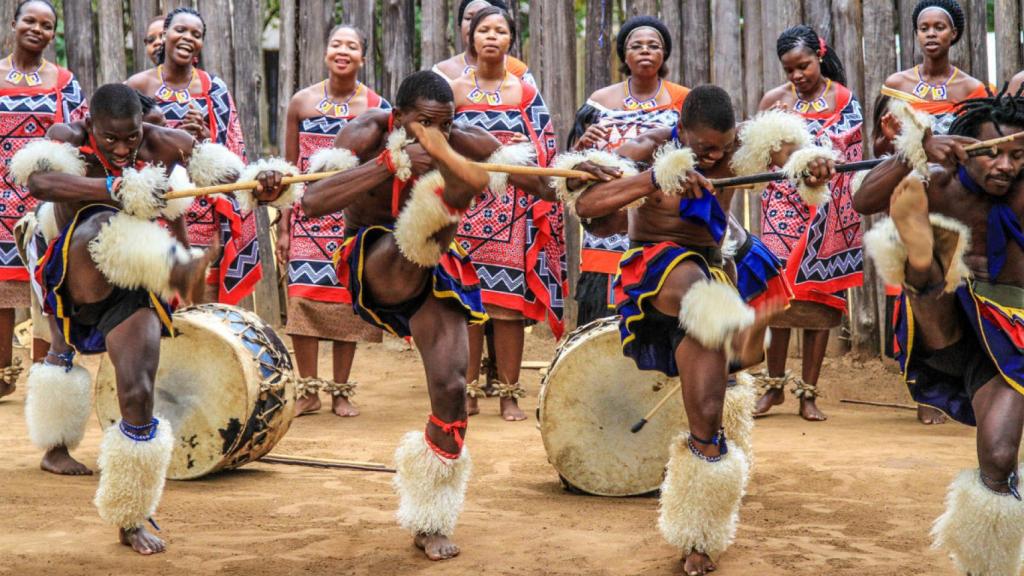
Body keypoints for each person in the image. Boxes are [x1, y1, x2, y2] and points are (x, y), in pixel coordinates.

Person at [565, 84, 830, 576]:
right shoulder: (650, 146)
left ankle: (699, 540)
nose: (714, 157)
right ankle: (737, 331)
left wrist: (810, 164)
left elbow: (792, 151)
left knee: (707, 416)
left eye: (722, 148)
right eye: (704, 148)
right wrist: (655, 177)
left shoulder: (741, 147)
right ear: (681, 130)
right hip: (656, 269)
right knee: (688, 281)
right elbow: (589, 206)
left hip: (711, 274)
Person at [302, 70, 568, 561]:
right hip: (374, 256)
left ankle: (431, 520)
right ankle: (450, 196)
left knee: (450, 386)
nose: (436, 133)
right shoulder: (365, 133)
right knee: (424, 224)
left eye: (445, 125)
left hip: (437, 265)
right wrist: (390, 163)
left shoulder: (465, 140)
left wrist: (590, 170)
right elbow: (314, 200)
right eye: (423, 123)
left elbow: (548, 188)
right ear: (398, 116)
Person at [16, 82, 288, 554]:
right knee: (96, 233)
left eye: (132, 137)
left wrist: (264, 182)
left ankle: (131, 514)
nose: (123, 149)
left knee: (138, 392)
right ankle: (55, 446)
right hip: (72, 264)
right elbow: (39, 184)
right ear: (91, 125)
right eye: (111, 139)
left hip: (133, 275)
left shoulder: (161, 142)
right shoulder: (69, 138)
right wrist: (112, 186)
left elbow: (230, 174)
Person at [854, 87, 1024, 576]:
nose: (1005, 166)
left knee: (999, 458)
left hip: (1011, 345)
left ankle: (984, 567)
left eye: (1016, 155)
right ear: (966, 147)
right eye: (992, 153)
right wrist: (915, 150)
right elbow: (864, 199)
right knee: (929, 272)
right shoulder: (941, 179)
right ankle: (920, 252)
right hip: (949, 329)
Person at [874, 0, 988, 425]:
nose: (931, 34)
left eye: (940, 27)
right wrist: (890, 139)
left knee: (956, 288)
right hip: (908, 199)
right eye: (924, 27)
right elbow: (879, 149)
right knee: (915, 288)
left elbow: (981, 148)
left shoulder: (973, 90)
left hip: (956, 203)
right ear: (916, 33)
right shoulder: (897, 84)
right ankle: (926, 392)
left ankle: (968, 384)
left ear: (954, 33)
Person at [450, 7, 564, 420]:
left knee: (508, 307)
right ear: (471, 38)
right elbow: (437, 143)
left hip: (513, 212)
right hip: (464, 209)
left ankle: (509, 393)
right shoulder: (454, 90)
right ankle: (467, 391)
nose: (491, 36)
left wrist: (538, 199)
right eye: (484, 30)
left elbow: (545, 150)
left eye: (500, 31)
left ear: (511, 40)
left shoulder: (525, 93)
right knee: (466, 306)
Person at [751, 25, 863, 421]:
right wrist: (775, 136)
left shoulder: (844, 98)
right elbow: (758, 156)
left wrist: (821, 168)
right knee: (777, 294)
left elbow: (851, 154)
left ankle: (808, 394)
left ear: (820, 56)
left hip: (829, 209)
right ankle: (773, 388)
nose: (797, 75)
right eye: (789, 69)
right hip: (782, 207)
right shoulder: (774, 100)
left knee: (818, 295)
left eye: (804, 66)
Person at [278, 24, 388, 417]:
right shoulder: (302, 102)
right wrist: (284, 226)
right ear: (326, 52)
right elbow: (289, 171)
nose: (343, 51)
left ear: (362, 57)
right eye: (336, 44)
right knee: (302, 301)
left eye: (352, 46)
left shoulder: (377, 107)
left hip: (352, 220)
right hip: (308, 218)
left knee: (346, 304)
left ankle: (341, 391)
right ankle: (308, 391)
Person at [126, 7, 262, 306]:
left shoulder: (214, 89)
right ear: (164, 35)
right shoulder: (138, 86)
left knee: (200, 309)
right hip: (152, 206)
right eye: (180, 30)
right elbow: (120, 146)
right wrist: (170, 138)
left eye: (196, 34)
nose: (188, 37)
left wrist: (203, 138)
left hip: (203, 210)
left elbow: (232, 148)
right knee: (150, 303)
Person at [567, 15, 690, 326]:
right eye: (637, 45)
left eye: (653, 45)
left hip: (661, 219)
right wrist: (582, 144)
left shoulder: (683, 101)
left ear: (664, 53)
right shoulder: (599, 101)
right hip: (607, 220)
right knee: (603, 321)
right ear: (624, 53)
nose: (645, 50)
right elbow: (572, 168)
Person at [0, 0, 88, 398]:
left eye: (47, 25)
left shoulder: (64, 81)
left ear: (54, 34)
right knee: (1, 290)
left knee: (46, 288)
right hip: (0, 200)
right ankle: (2, 374)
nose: (38, 29)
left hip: (44, 204)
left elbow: (80, 138)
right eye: (30, 21)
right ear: (14, 24)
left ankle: (44, 373)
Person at [432, 0, 534, 86]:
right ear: (460, 25)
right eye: (469, 18)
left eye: (483, 18)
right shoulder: (441, 73)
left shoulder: (518, 72)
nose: (473, 25)